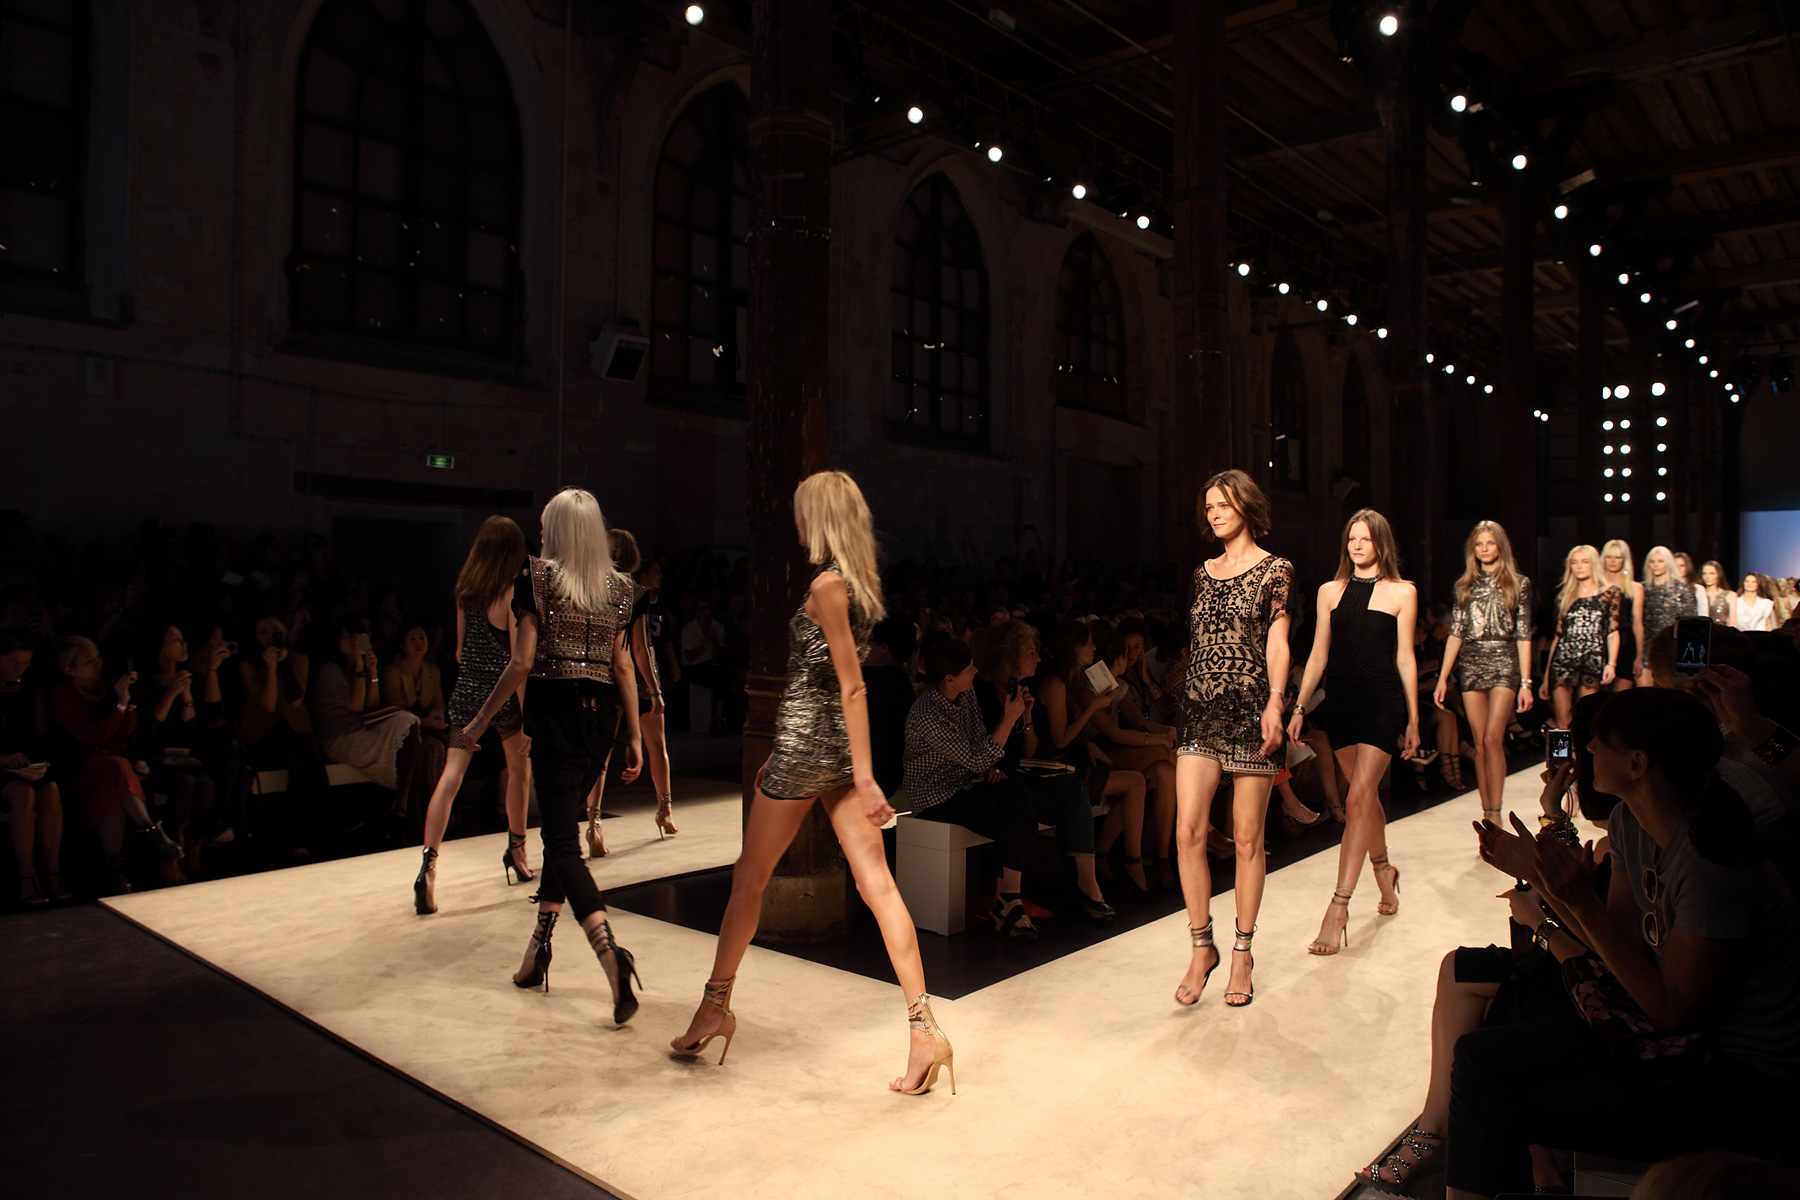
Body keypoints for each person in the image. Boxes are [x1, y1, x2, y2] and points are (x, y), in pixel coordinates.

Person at [1445, 689, 1800, 1198]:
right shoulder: (1631, 824)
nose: (1587, 749)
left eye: (1600, 742)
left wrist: (1568, 900)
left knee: (1493, 1087)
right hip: (1680, 1048)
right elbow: (1617, 953)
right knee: (1489, 1046)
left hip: (1739, 1077)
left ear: (1637, 763)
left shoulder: (1711, 865)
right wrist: (1542, 877)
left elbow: (1672, 1010)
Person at [670, 471, 953, 1095]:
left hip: (811, 751)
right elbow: (822, 681)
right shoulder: (860, 587)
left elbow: (851, 687)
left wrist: (865, 778)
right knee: (876, 885)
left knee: (749, 879)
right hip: (829, 751)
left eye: (804, 513)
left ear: (820, 517)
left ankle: (715, 1006)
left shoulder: (827, 585)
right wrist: (834, 764)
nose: (799, 525)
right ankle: (924, 1029)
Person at [463, 488, 645, 1026]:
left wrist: (479, 721)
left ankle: (610, 953)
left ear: (558, 530)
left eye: (546, 525)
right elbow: (623, 666)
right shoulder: (620, 588)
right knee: (563, 832)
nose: (541, 534)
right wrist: (634, 736)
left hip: (557, 718)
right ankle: (537, 951)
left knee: (562, 844)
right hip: (601, 723)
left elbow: (521, 663)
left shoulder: (537, 578)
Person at [1172, 469, 1294, 1009]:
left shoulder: (1276, 570)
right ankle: (1203, 947)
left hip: (1251, 707)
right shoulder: (1201, 573)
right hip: (1199, 708)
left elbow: (1278, 642)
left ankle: (1242, 951)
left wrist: (1276, 701)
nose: (1215, 514)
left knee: (1247, 838)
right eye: (1209, 507)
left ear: (1246, 506)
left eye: (1223, 504)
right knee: (1188, 832)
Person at [1289, 509, 1419, 956]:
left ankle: (1338, 907)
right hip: (1342, 703)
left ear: (1382, 543)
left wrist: (1414, 717)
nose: (1357, 546)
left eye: (1365, 539)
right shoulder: (1330, 591)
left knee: (1358, 798)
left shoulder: (1403, 592)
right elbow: (1318, 654)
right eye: (1351, 539)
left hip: (1382, 701)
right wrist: (1300, 706)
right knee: (1366, 799)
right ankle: (1384, 872)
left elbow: (1405, 657)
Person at [412, 516, 534, 914]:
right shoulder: (511, 592)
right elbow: (518, 661)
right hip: (503, 696)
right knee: (518, 773)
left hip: (466, 694)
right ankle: (517, 851)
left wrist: (472, 689)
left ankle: (428, 866)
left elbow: (461, 651)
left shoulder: (467, 591)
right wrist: (526, 716)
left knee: (450, 778)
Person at [971, 618, 1114, 923]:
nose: (1038, 658)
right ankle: (1047, 891)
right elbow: (982, 752)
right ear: (1010, 655)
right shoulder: (981, 693)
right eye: (1030, 653)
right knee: (1039, 797)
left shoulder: (1022, 689)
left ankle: (1087, 882)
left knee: (1073, 789)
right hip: (994, 780)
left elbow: (1028, 749)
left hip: (1019, 773)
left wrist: (1027, 717)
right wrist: (1010, 717)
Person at [902, 638, 1040, 938]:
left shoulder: (966, 696)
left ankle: (1007, 902)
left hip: (965, 785)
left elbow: (979, 745)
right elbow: (977, 758)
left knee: (1022, 810)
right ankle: (1008, 903)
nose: (976, 671)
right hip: (936, 799)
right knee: (1017, 807)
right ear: (949, 679)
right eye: (969, 669)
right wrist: (1010, 718)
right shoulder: (927, 714)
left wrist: (987, 768)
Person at [48, 636, 182, 892]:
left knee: (115, 779)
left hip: (110, 766)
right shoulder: (62, 697)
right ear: (69, 669)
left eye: (98, 657)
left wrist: (126, 701)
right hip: (76, 769)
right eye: (88, 662)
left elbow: (126, 732)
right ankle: (152, 832)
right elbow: (93, 738)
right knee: (115, 769)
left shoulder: (109, 685)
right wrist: (120, 705)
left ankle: (113, 867)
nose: (97, 664)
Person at [1036, 621, 1152, 895]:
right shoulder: (1056, 684)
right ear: (1071, 648)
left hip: (1069, 759)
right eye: (1087, 643)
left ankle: (1112, 858)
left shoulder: (1070, 680)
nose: (1093, 648)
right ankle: (1129, 861)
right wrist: (1093, 708)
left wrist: (1087, 743)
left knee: (1136, 782)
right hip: (1053, 769)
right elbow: (1059, 739)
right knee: (1135, 782)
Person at [1435, 520, 1535, 826]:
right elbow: (1456, 632)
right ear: (1472, 549)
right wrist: (1443, 677)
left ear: (1500, 546)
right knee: (1479, 742)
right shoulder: (1464, 585)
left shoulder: (1519, 584)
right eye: (1479, 544)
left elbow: (1523, 635)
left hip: (1505, 661)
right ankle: (1487, 811)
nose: (1484, 549)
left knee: (1493, 738)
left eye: (1490, 543)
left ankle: (1497, 809)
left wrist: (1526, 682)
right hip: (1471, 663)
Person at [310, 615, 427, 824]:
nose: (355, 642)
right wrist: (359, 666)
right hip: (340, 737)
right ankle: (410, 810)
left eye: (360, 637)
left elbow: (372, 705)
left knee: (409, 723)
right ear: (336, 641)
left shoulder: (360, 666)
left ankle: (405, 803)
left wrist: (371, 671)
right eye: (349, 637)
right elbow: (356, 705)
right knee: (407, 733)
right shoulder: (329, 670)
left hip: (364, 728)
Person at [133, 624, 218, 881]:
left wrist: (186, 694)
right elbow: (147, 731)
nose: (184, 645)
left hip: (181, 755)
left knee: (205, 784)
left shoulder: (190, 678)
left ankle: (194, 852)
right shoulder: (143, 683)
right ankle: (168, 854)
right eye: (176, 641)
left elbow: (190, 727)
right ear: (160, 648)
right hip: (152, 758)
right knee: (185, 783)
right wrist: (171, 693)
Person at [1, 635, 67, 906]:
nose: (19, 668)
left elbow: (42, 739)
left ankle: (52, 870)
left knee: (49, 788)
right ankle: (26, 873)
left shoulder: (32, 692)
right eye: (13, 661)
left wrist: (37, 763)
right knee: (23, 793)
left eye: (25, 663)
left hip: (22, 766)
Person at [1541, 545, 1620, 728]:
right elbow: (1558, 636)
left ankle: (1584, 749)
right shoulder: (1563, 596)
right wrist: (1546, 677)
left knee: (1587, 720)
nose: (1579, 566)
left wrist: (1612, 663)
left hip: (1592, 661)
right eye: (1574, 562)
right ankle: (1565, 749)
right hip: (1563, 660)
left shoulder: (1609, 593)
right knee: (1563, 722)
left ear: (1593, 564)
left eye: (1584, 562)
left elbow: (1612, 632)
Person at [864, 615, 919, 797]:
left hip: (866, 777)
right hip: (891, 778)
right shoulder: (905, 686)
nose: (867, 648)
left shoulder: (869, 680)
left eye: (871, 641)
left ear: (884, 648)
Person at [1640, 546, 1698, 673]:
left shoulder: (1681, 589)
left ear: (1668, 563)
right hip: (1646, 647)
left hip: (1672, 647)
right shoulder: (1642, 589)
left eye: (1660, 561)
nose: (1656, 565)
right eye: (1652, 561)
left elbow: (1690, 622)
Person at [1600, 539, 1644, 691]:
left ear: (1624, 560)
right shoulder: (1596, 586)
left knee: (1621, 697)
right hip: (1599, 642)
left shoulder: (1634, 588)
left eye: (1618, 557)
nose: (1613, 561)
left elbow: (1638, 623)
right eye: (1609, 557)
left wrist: (1639, 656)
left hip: (1626, 644)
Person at [1701, 560, 1738, 626]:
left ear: (1718, 575)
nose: (1707, 577)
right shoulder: (1699, 594)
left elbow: (1732, 621)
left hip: (1722, 631)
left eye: (1711, 573)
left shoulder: (1730, 595)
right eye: (1704, 573)